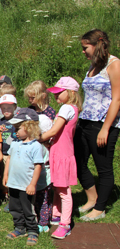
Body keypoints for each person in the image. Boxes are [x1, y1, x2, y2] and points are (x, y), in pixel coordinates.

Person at [75, 29, 120, 221]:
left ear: (97, 45)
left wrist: (105, 128)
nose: (83, 52)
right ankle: (92, 198)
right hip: (84, 121)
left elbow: (117, 99)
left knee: (104, 167)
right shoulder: (92, 67)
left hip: (103, 124)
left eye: (85, 48)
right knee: (78, 161)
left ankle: (100, 208)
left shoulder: (114, 64)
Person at [39, 77, 82, 239]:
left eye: (59, 93)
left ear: (71, 93)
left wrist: (37, 138)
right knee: (57, 185)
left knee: (64, 190)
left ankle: (65, 224)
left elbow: (52, 131)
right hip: (58, 152)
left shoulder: (66, 108)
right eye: (55, 93)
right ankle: (56, 215)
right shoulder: (69, 108)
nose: (56, 96)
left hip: (62, 153)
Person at [3, 108, 43, 246]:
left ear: (29, 127)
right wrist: (5, 175)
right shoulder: (15, 143)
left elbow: (38, 166)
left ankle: (32, 230)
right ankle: (19, 227)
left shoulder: (36, 146)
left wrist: (32, 184)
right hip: (13, 183)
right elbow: (9, 159)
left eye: (18, 128)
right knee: (14, 207)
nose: (15, 131)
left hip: (26, 185)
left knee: (28, 208)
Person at [35, 114, 53, 234]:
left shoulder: (40, 147)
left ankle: (44, 223)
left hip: (43, 179)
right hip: (44, 178)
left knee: (43, 201)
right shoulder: (47, 146)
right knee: (43, 200)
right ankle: (43, 219)